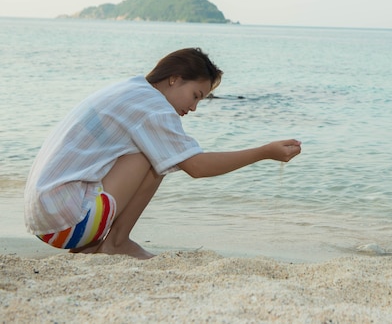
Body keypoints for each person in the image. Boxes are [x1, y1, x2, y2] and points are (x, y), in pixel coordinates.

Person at [24, 48, 301, 259]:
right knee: (157, 156)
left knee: (160, 150)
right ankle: (116, 243)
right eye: (195, 95)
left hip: (46, 218)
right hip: (68, 222)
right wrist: (264, 152)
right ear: (174, 80)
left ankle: (99, 245)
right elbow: (197, 167)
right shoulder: (154, 107)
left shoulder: (131, 89)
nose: (194, 108)